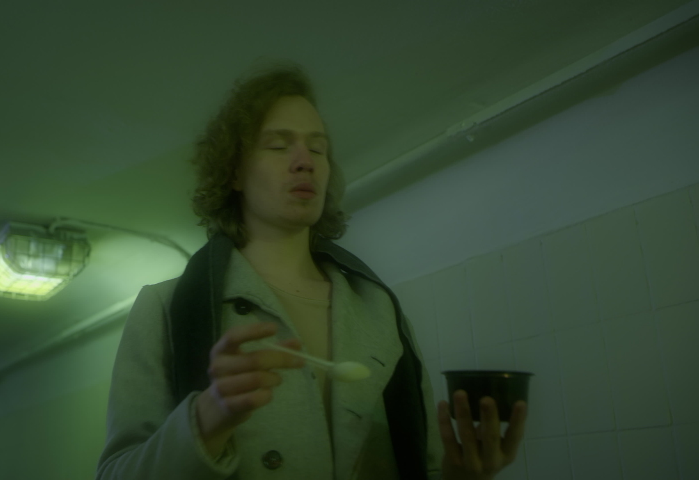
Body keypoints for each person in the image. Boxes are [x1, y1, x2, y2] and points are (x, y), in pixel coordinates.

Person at [94, 60, 526, 480]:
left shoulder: (380, 311)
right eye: (278, 145)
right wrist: (209, 417)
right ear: (234, 172)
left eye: (317, 148)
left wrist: (463, 475)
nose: (306, 161)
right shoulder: (164, 308)